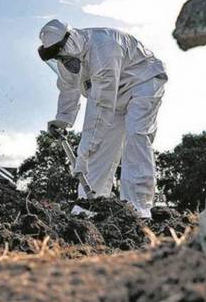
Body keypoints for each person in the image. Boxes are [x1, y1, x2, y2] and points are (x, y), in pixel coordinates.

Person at [38, 19, 167, 219]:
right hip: (114, 97)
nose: (62, 61)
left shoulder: (104, 47)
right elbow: (68, 89)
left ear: (70, 40)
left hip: (142, 83)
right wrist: (62, 119)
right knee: (100, 150)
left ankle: (137, 210)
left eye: (61, 54)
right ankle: (88, 209)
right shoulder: (67, 59)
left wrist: (83, 154)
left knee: (136, 136)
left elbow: (101, 106)